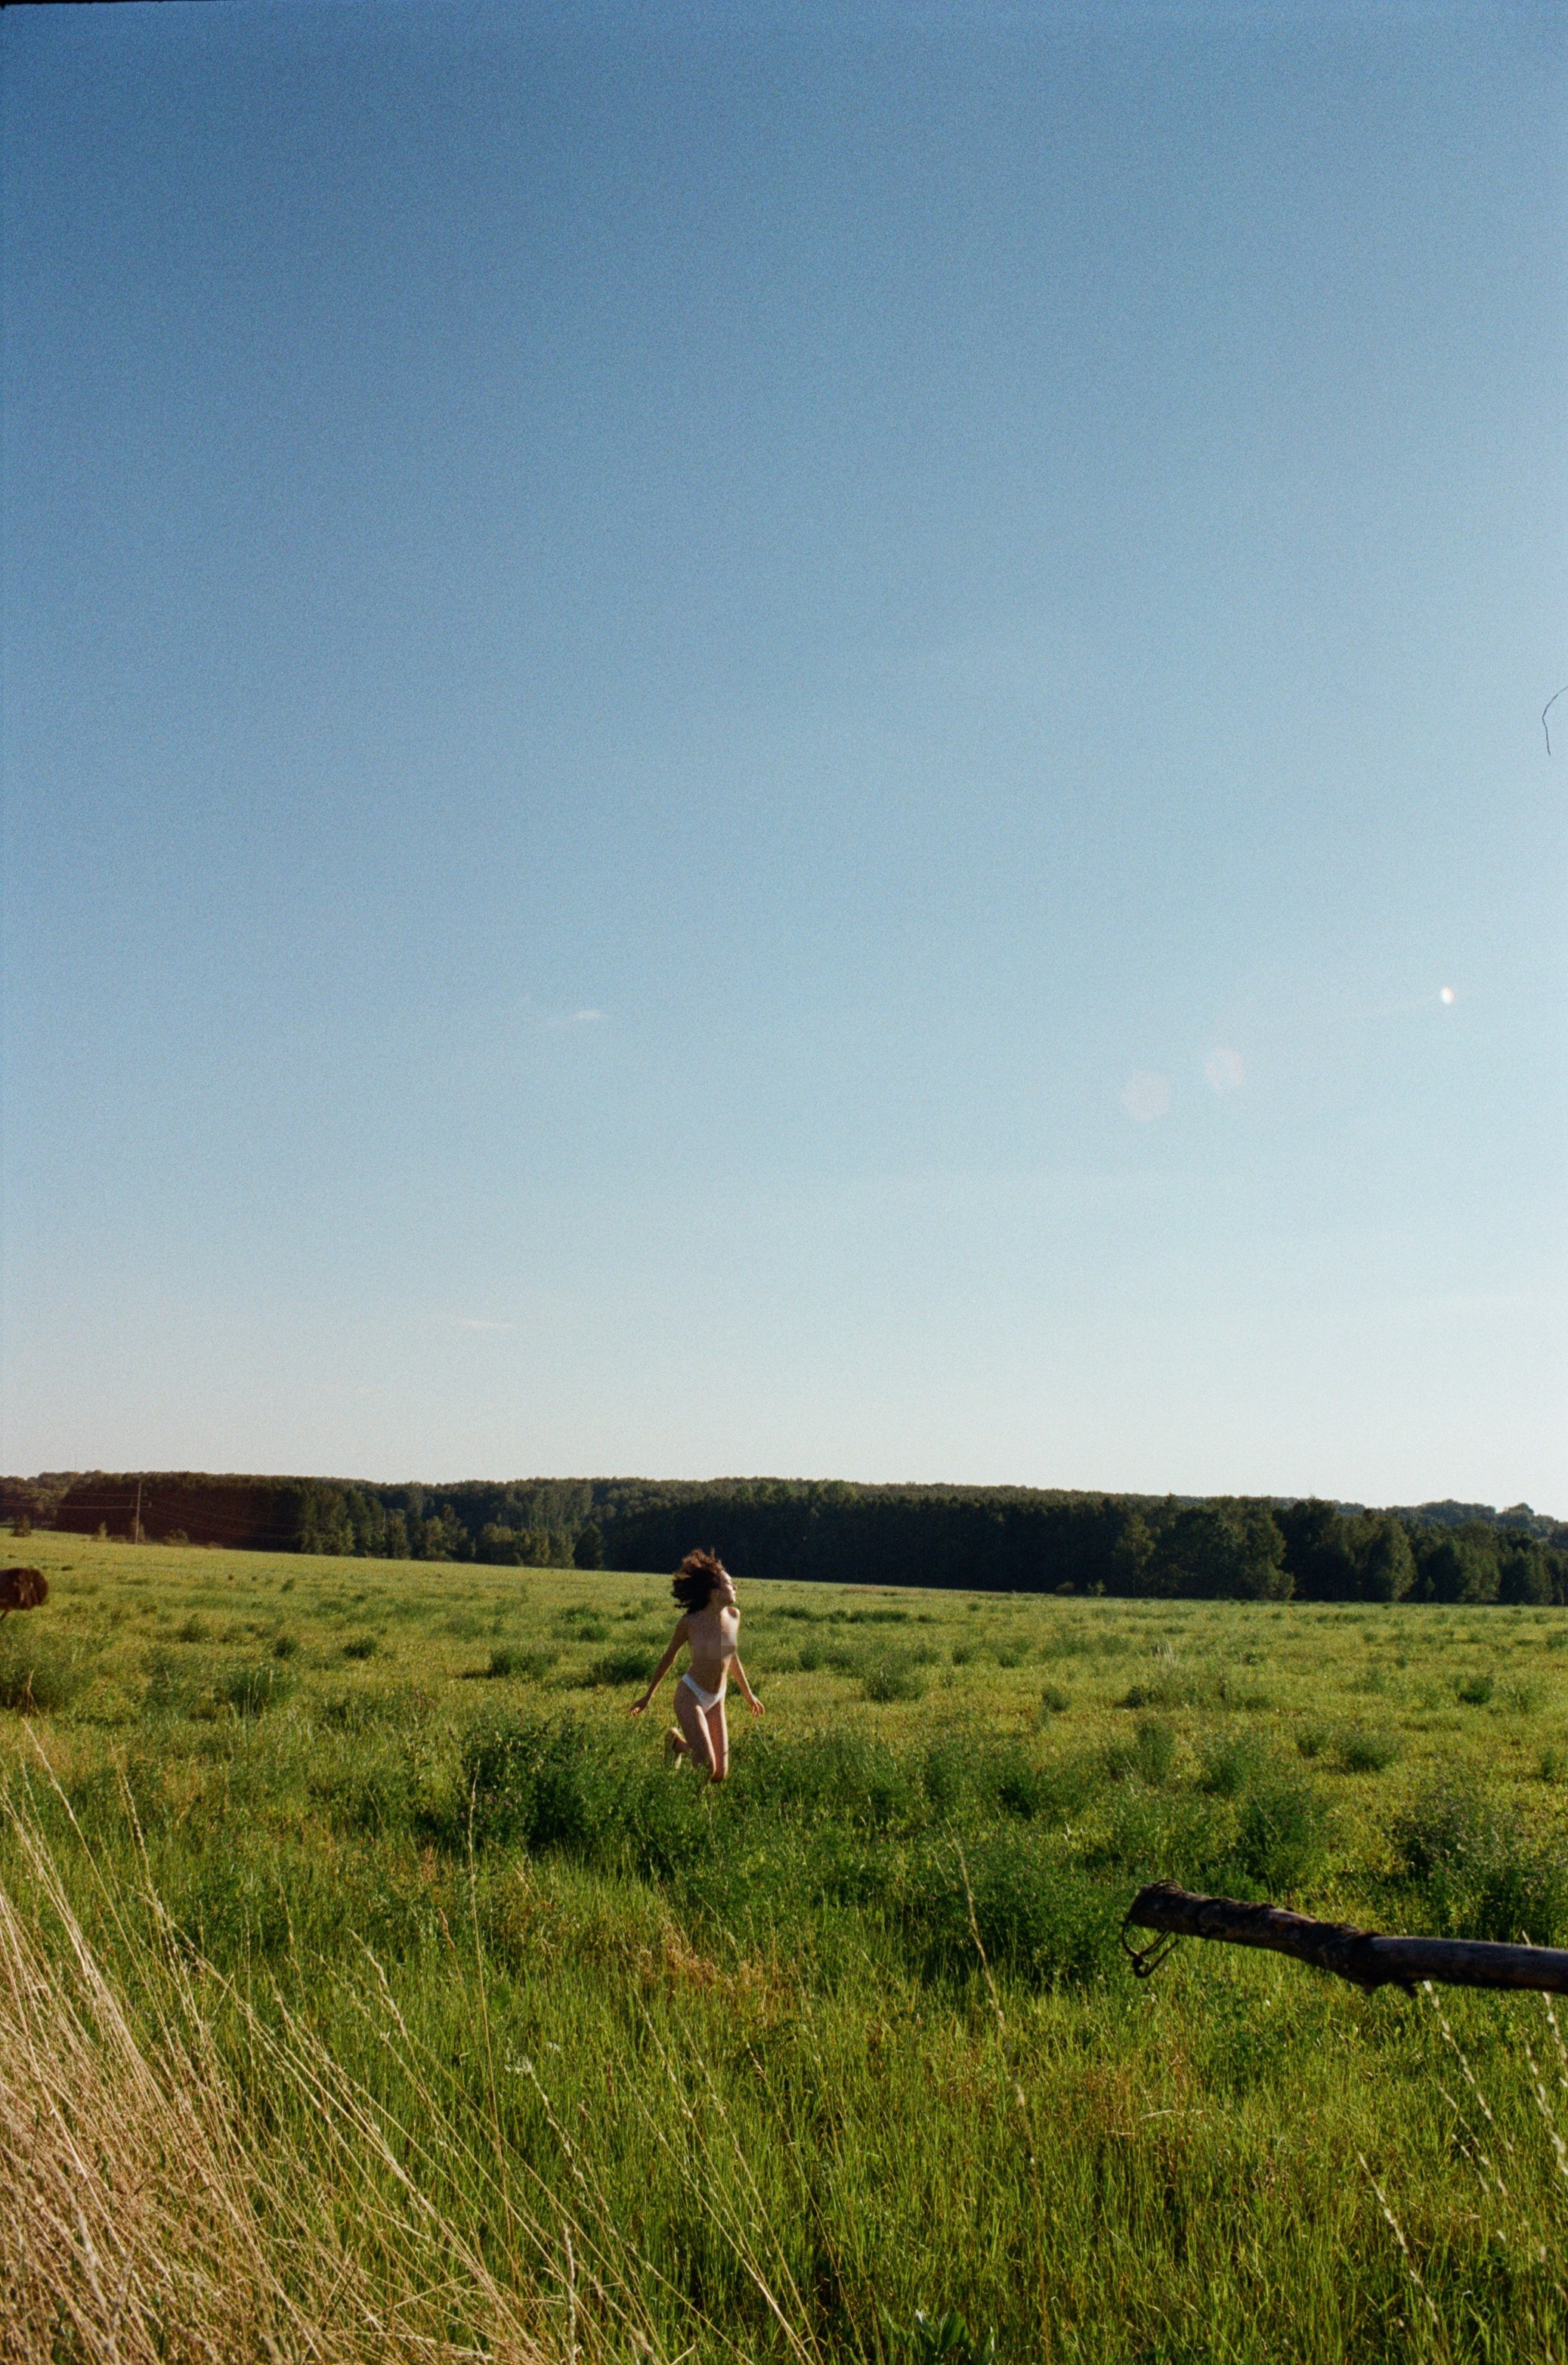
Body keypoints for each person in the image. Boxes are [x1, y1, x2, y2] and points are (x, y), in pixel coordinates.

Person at [629, 1547, 762, 1781]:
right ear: (714, 1592)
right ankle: (689, 1809)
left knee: (720, 1774)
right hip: (691, 1694)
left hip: (717, 1697)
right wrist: (648, 1696)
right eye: (730, 1584)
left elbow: (731, 1655)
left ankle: (677, 1745)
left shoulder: (733, 1616)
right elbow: (668, 1657)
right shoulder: (689, 1623)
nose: (735, 1587)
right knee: (706, 1765)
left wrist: (748, 1694)